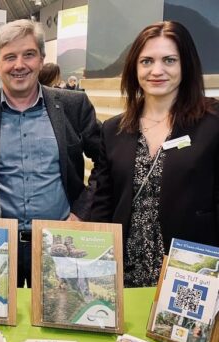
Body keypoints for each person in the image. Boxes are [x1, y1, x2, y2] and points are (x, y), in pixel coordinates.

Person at [0, 19, 101, 288]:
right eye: (10, 57)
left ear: (41, 59)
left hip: (57, 240)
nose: (19, 65)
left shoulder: (73, 105)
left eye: (28, 54)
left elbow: (105, 162)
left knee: (58, 319)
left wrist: (82, 212)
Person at [89, 21, 219, 287]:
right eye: (146, 61)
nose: (156, 71)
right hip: (123, 270)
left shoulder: (212, 123)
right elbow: (103, 199)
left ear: (186, 65)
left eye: (169, 60)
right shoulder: (114, 129)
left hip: (189, 268)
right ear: (134, 68)